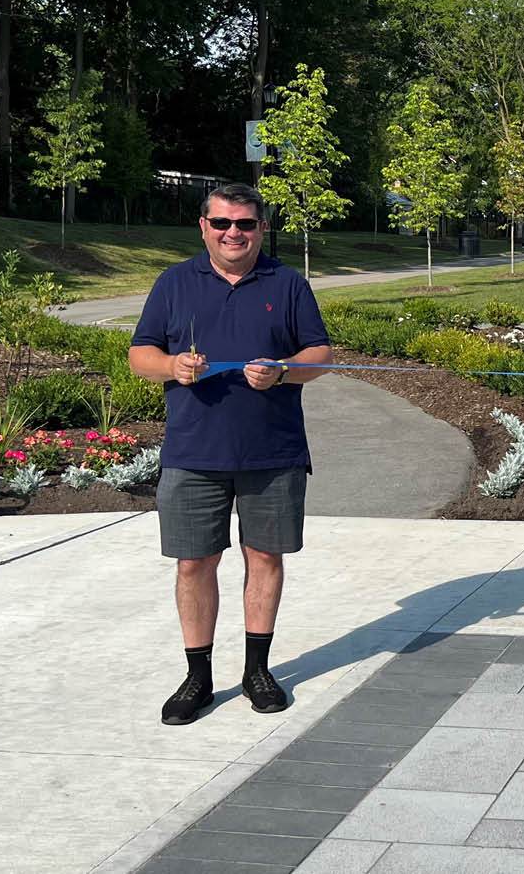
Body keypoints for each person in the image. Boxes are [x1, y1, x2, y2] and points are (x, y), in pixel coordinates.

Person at [129, 183, 332, 726]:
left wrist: (285, 370)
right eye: (222, 223)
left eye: (244, 223)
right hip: (194, 452)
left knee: (264, 558)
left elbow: (320, 353)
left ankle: (257, 671)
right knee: (195, 563)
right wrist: (172, 367)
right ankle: (197, 677)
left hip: (273, 451)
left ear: (262, 228)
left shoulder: (287, 284)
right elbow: (139, 354)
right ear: (203, 227)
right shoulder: (173, 283)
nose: (233, 233)